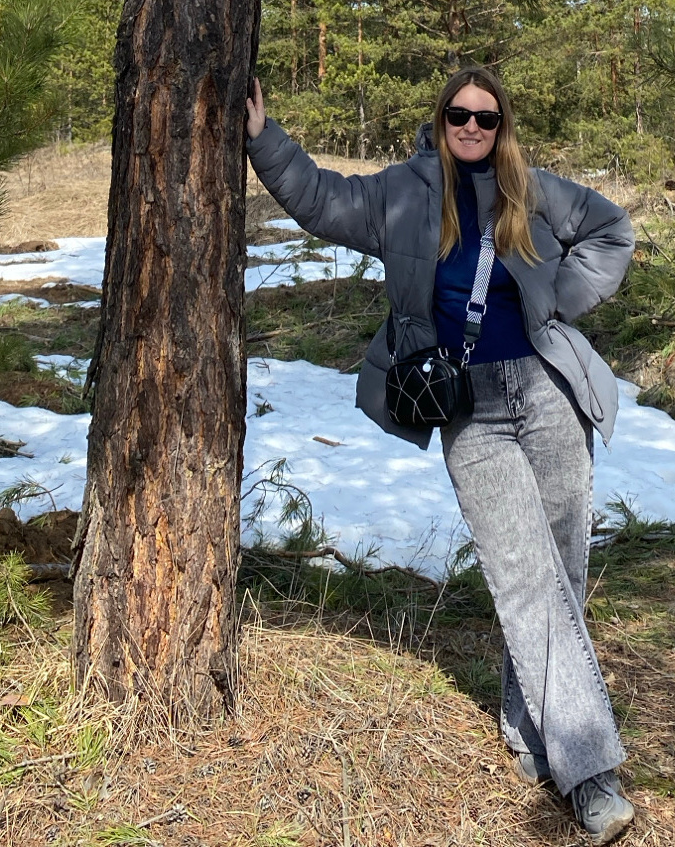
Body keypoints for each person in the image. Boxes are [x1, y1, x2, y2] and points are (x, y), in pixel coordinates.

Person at [245, 64, 637, 845]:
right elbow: (318, 200)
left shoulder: (533, 189)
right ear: (441, 119)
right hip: (470, 409)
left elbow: (611, 231)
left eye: (486, 118)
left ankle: (532, 732)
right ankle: (591, 774)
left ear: (502, 126)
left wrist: (554, 302)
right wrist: (262, 139)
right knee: (523, 573)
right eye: (460, 114)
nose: (472, 128)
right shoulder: (402, 191)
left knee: (561, 570)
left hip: (548, 391)